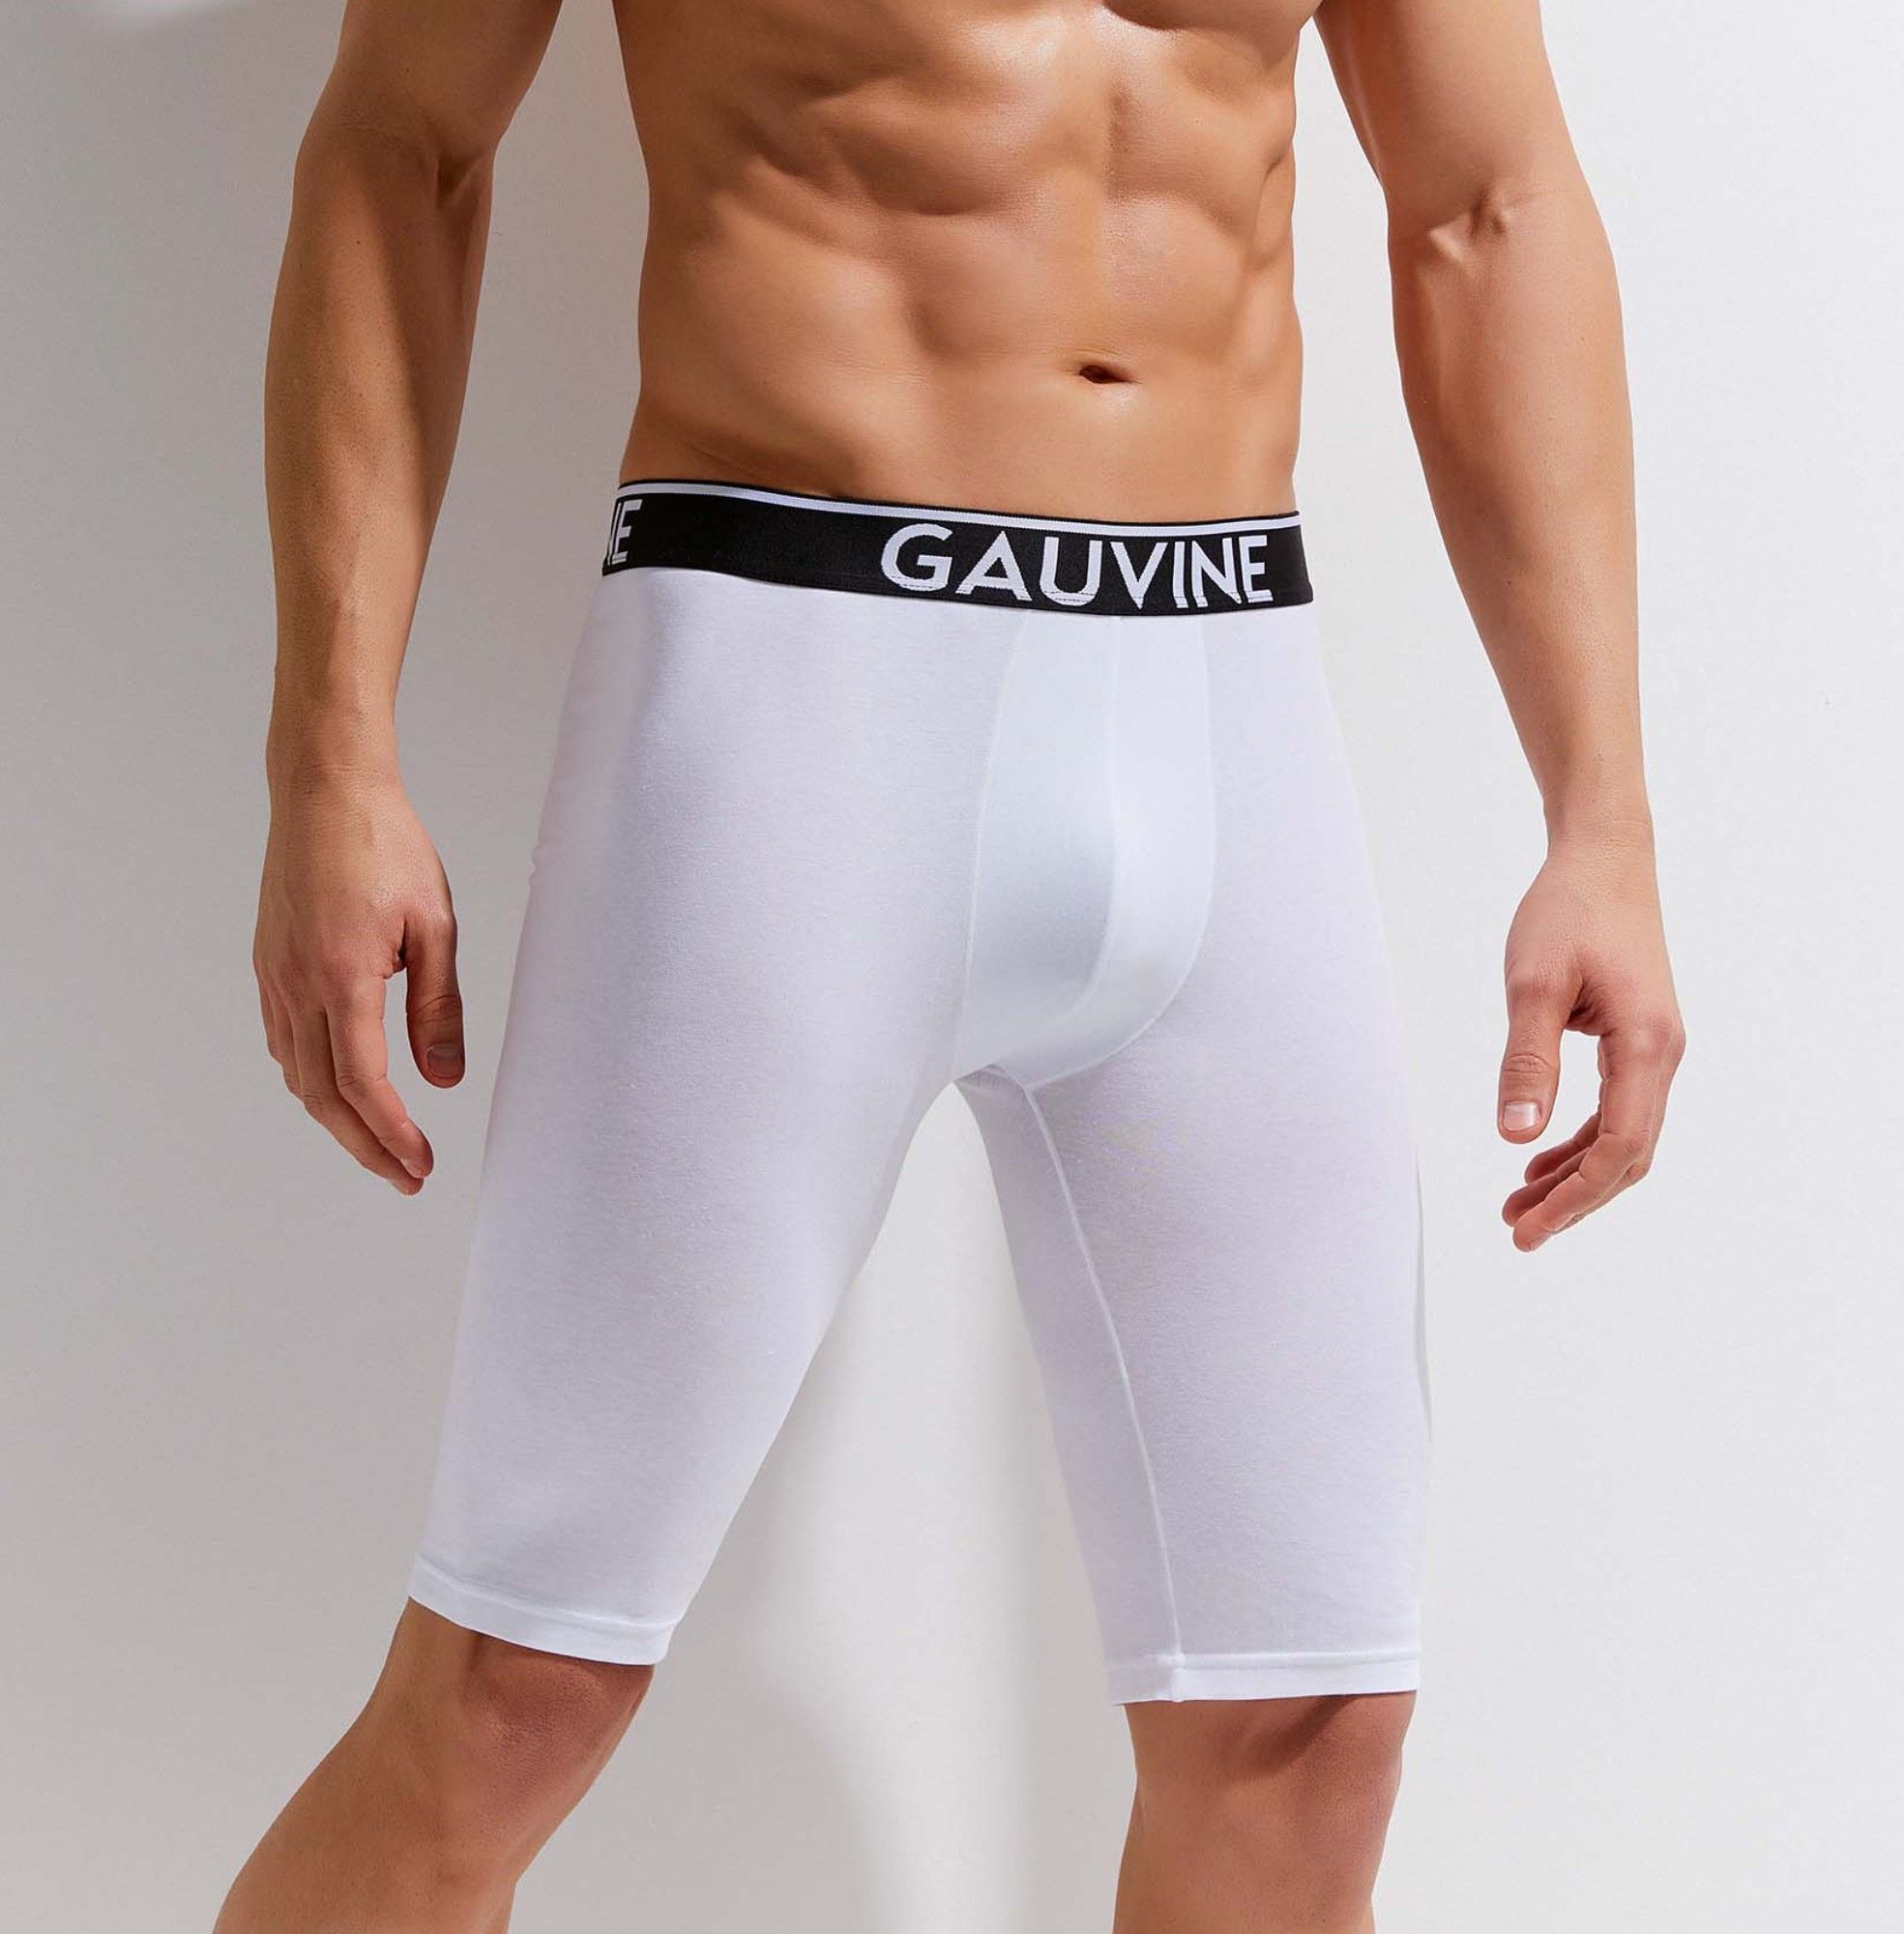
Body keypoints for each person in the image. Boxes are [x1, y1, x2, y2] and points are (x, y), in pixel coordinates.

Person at [225, 0, 1684, 1924]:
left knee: (1307, 1722)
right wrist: (331, 756)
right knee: (520, 1684)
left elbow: (1486, 206)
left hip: (1224, 692)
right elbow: (399, 148)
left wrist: (1599, 814)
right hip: (784, 684)